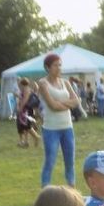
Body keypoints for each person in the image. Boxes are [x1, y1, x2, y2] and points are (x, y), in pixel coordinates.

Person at [37, 53, 81, 186]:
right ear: (47, 67)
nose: (59, 68)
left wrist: (61, 103)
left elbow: (77, 101)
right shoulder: (43, 83)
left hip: (67, 127)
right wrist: (68, 104)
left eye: (60, 65)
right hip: (51, 129)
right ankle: (45, 189)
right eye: (55, 65)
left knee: (70, 161)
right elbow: (53, 106)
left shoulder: (65, 82)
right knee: (50, 161)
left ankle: (71, 189)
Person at [16, 77, 41, 148]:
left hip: (26, 110)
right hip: (26, 110)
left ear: (22, 84)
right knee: (25, 126)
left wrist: (20, 108)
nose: (19, 85)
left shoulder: (26, 90)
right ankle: (27, 142)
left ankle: (36, 137)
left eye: (20, 84)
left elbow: (25, 100)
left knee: (27, 126)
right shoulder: (26, 89)